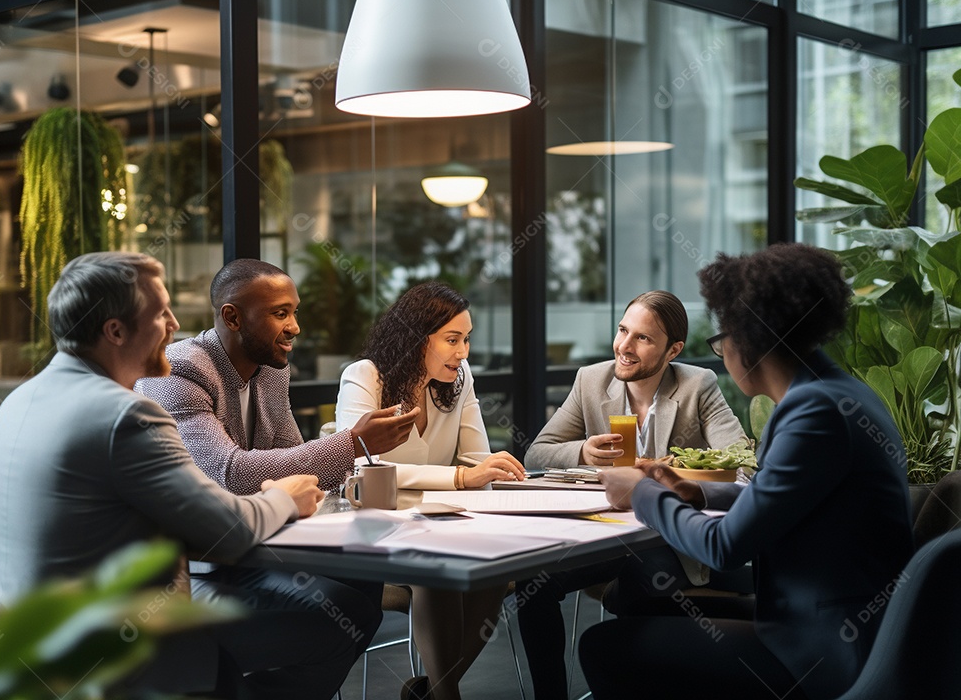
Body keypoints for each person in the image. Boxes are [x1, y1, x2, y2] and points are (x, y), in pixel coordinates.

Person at [0, 252, 356, 699]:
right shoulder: (126, 415)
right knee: (343, 616)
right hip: (119, 651)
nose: (176, 324)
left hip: (24, 651)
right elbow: (228, 531)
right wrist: (284, 496)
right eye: (161, 313)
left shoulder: (18, 402)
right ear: (115, 331)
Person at [585, 244, 914, 699]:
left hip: (820, 651)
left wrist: (640, 492)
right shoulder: (836, 394)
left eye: (722, 341)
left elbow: (724, 547)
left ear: (748, 341)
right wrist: (696, 494)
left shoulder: (814, 413)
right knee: (649, 614)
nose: (721, 354)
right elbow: (782, 497)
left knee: (604, 646)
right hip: (834, 628)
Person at [136, 258, 416, 677]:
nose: (295, 327)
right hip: (200, 566)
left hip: (260, 546)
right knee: (341, 614)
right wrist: (353, 443)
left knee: (363, 590)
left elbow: (294, 463)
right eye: (280, 313)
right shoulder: (181, 370)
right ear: (232, 317)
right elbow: (228, 472)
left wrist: (337, 457)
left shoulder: (270, 373)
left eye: (295, 312)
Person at [516, 290, 748, 700]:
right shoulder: (592, 380)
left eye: (643, 338)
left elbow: (743, 465)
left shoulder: (698, 385)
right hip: (605, 531)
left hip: (665, 537)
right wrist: (583, 450)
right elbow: (537, 451)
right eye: (623, 330)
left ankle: (634, 675)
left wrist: (671, 475)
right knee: (533, 579)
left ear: (672, 349)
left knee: (644, 577)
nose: (624, 346)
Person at [336, 281, 526, 700]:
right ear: (415, 338)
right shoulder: (365, 376)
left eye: (467, 340)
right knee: (440, 570)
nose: (464, 352)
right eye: (452, 340)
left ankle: (436, 691)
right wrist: (460, 478)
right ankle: (446, 695)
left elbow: (476, 457)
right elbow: (364, 465)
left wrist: (491, 469)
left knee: (493, 570)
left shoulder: (459, 378)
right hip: (377, 529)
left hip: (442, 521)